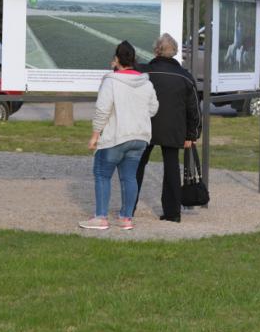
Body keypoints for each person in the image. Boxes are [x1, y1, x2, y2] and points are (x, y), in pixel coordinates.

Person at [79, 41, 158, 231]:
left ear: (117, 60)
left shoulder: (111, 82)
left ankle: (101, 217)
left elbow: (102, 110)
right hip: (140, 137)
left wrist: (95, 135)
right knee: (129, 177)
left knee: (102, 174)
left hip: (116, 137)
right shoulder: (146, 83)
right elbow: (154, 109)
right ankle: (126, 219)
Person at [134, 33, 201, 222]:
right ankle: (172, 213)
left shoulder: (143, 72)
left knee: (137, 166)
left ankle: (128, 208)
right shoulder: (185, 77)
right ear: (176, 52)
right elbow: (193, 109)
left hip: (145, 126)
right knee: (172, 168)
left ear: (156, 50)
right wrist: (192, 134)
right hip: (174, 129)